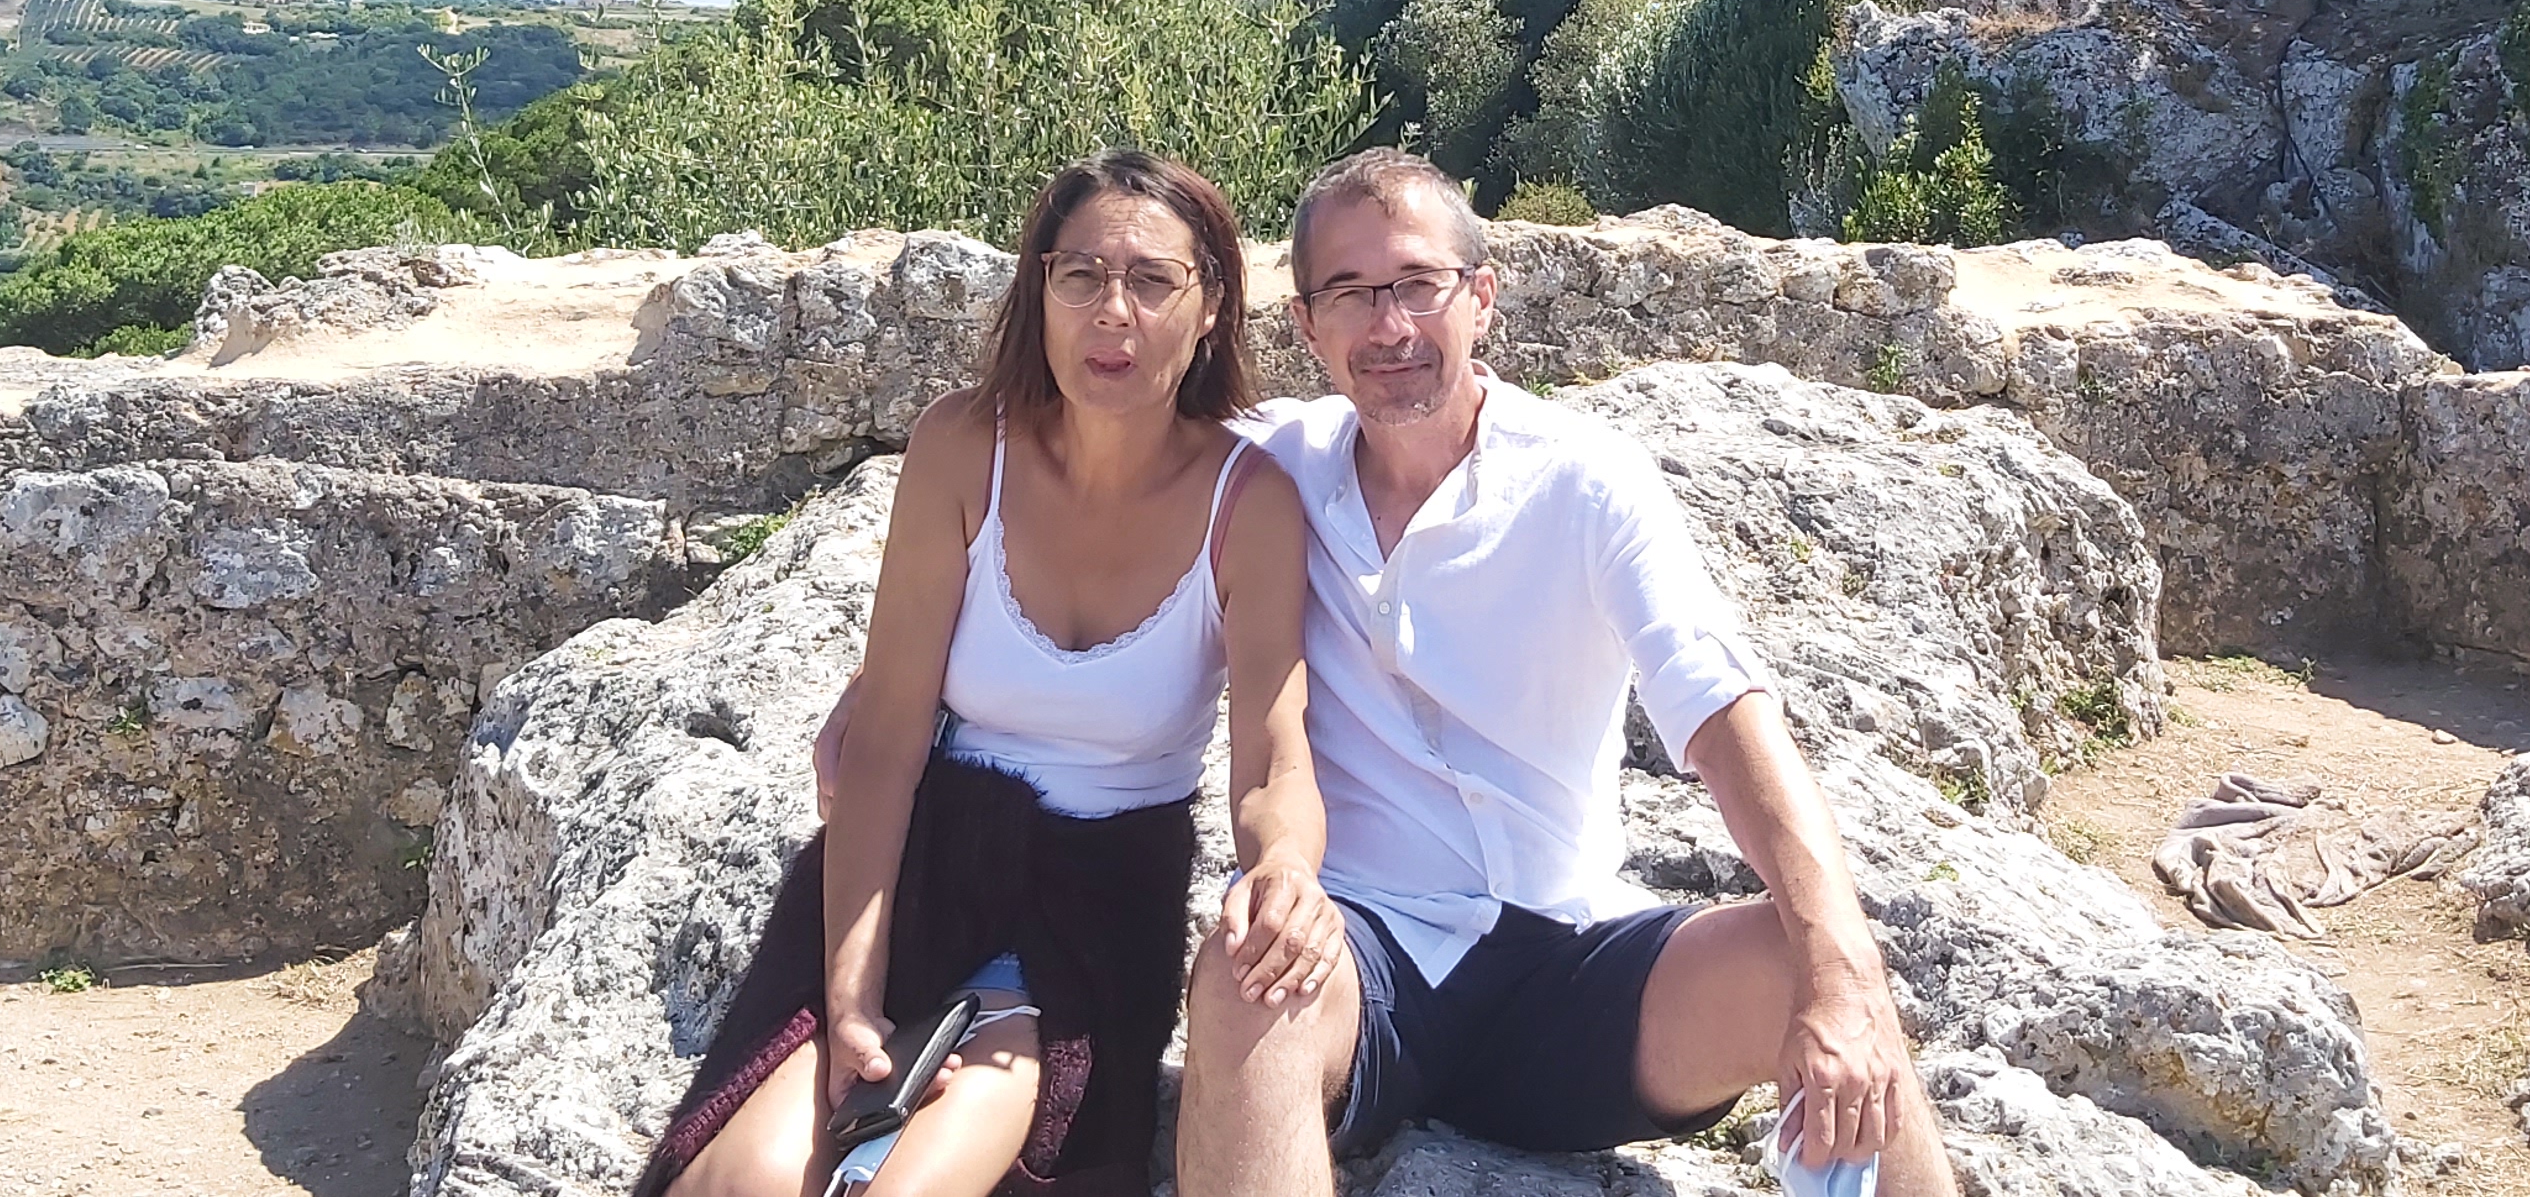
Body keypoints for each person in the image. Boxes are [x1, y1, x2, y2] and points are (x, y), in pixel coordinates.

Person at [1173, 149, 1953, 1197]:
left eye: (1417, 283)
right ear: (1307, 325)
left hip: (1574, 969)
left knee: (1808, 962)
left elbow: (1720, 704)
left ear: (1481, 298)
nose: (1389, 325)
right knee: (1247, 971)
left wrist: (1843, 969)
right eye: (1350, 294)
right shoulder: (1266, 471)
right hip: (1365, 961)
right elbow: (1088, 463)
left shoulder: (1585, 480)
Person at [638, 152, 1343, 1197]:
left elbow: (1274, 761)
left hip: (1094, 912)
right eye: (1080, 275)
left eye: (1152, 280)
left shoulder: (1251, 502)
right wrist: (852, 994)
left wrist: (1283, 866)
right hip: (926, 865)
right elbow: (886, 736)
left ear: (1210, 309)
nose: (1112, 312)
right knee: (739, 1183)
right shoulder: (964, 445)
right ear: (1039, 290)